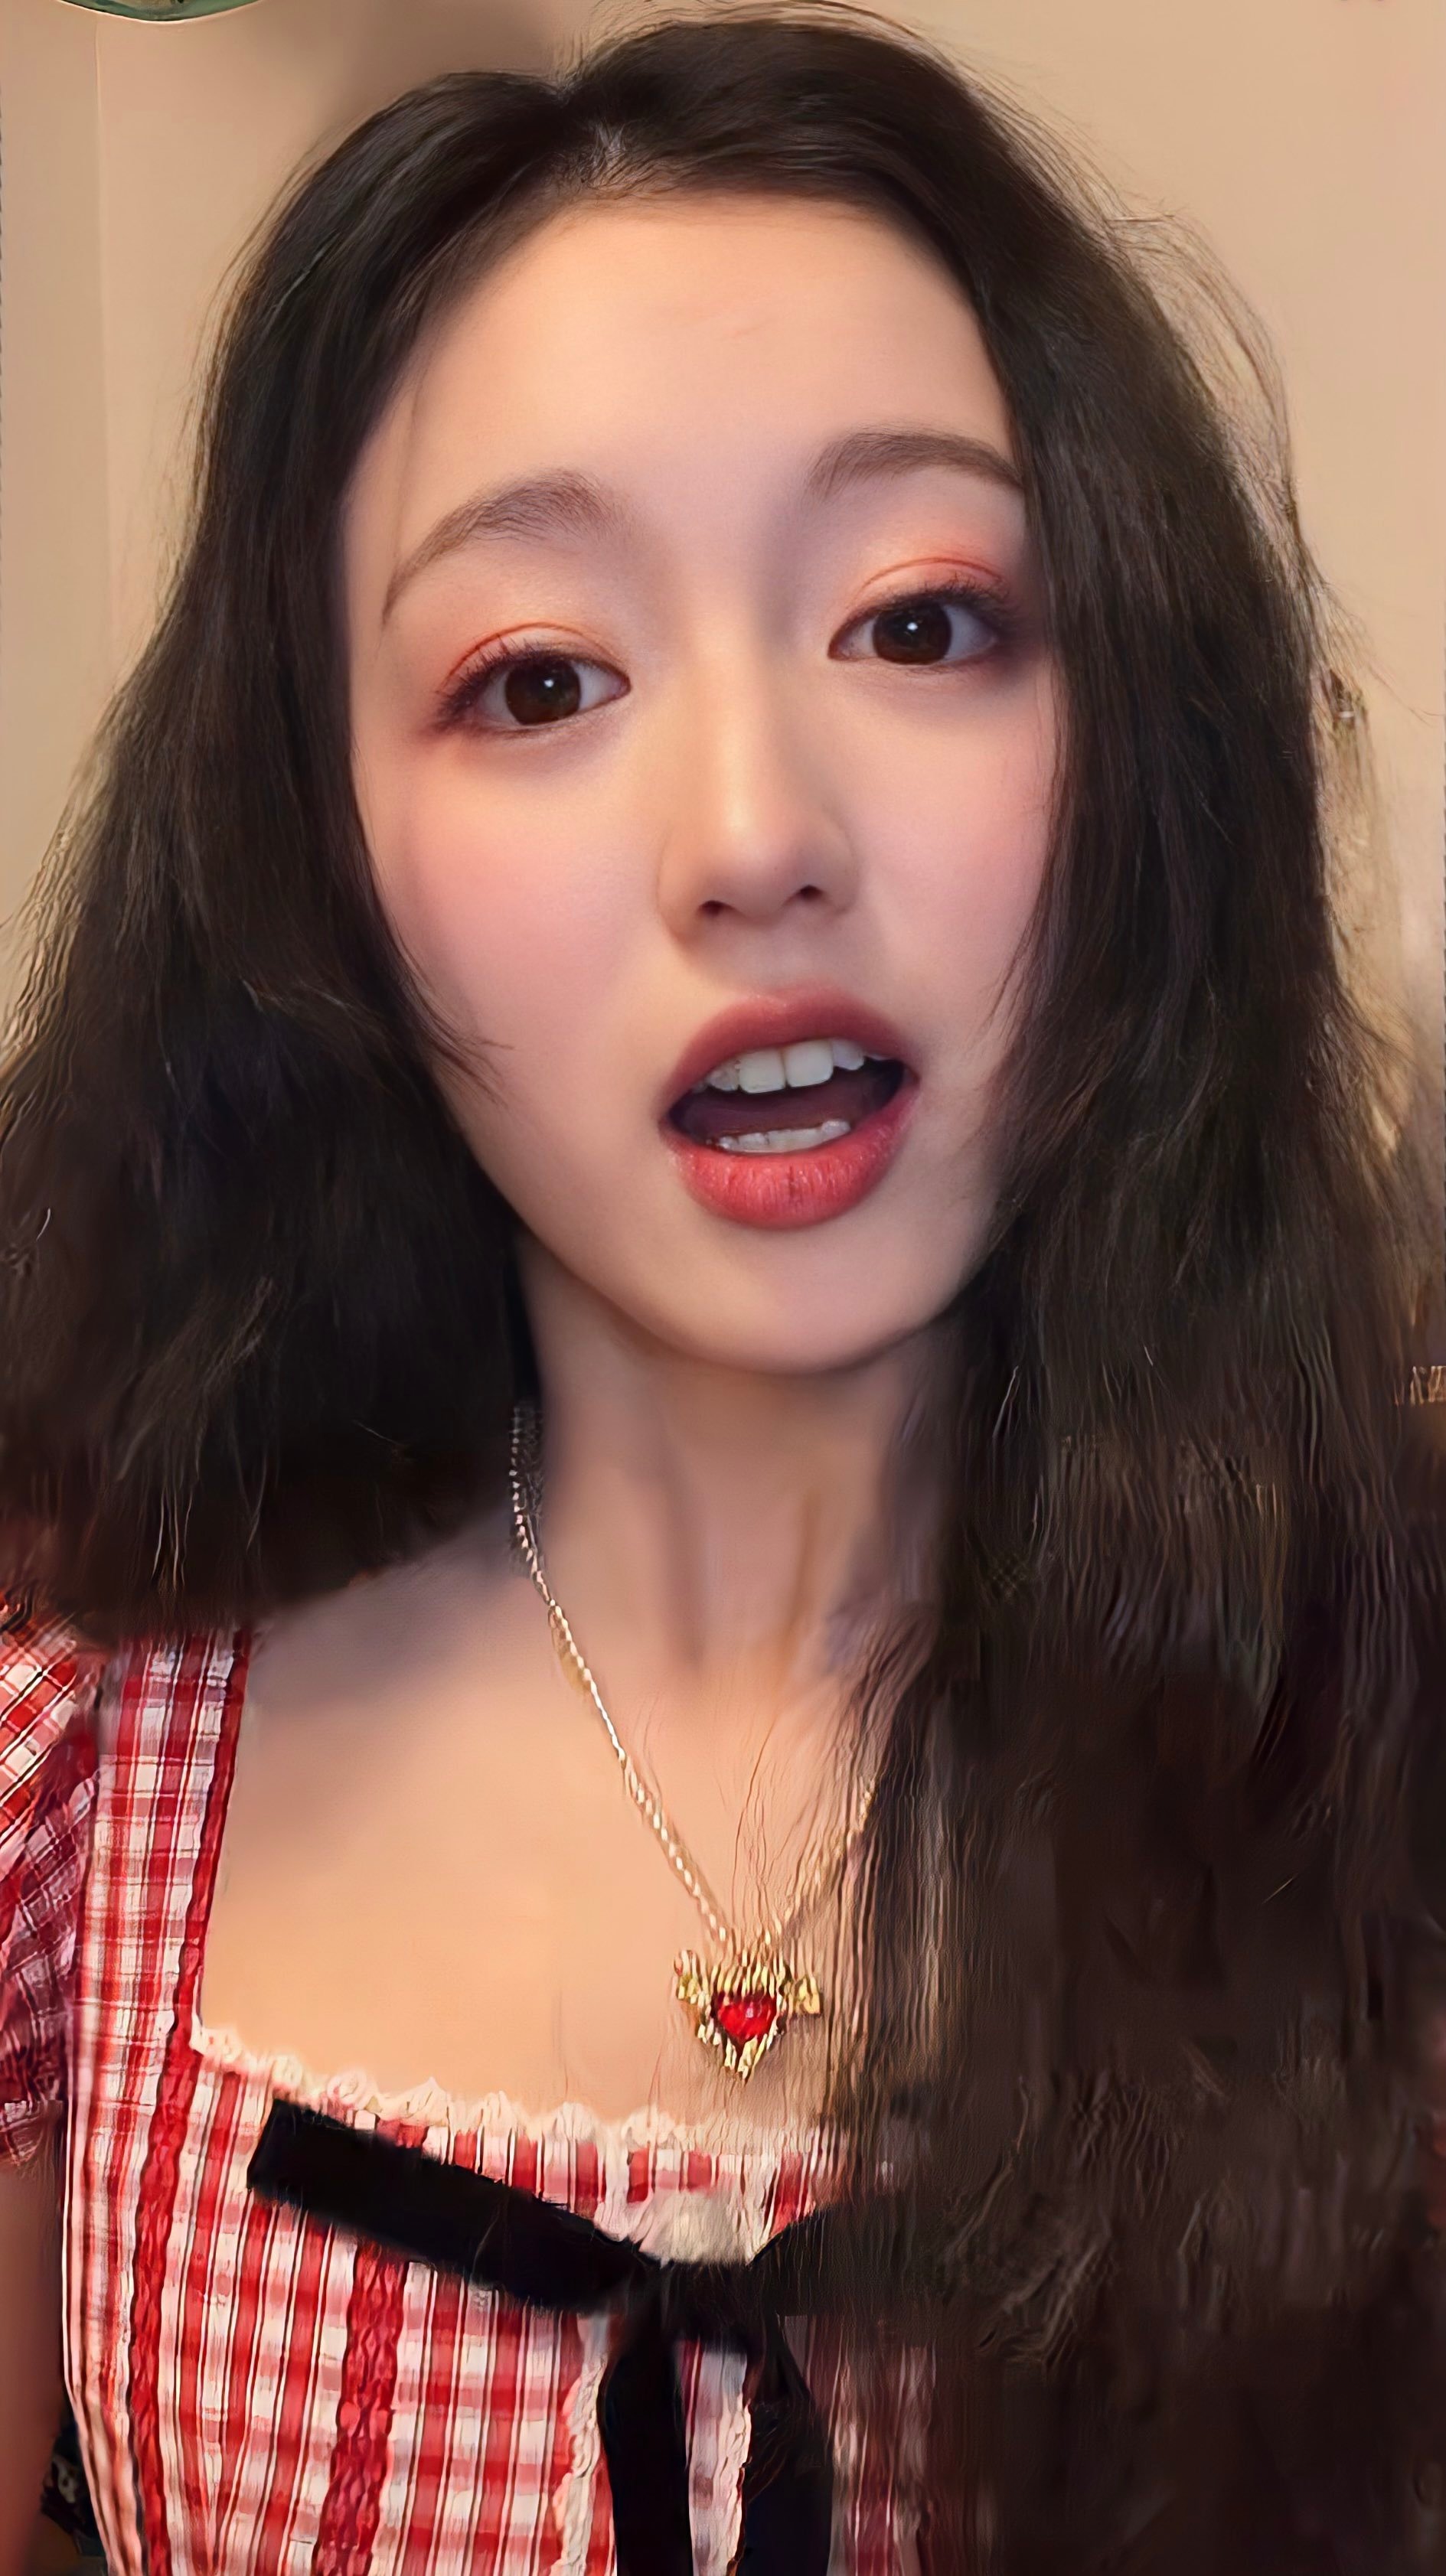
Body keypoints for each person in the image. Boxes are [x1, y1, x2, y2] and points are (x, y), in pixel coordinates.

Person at [2, 5, 1444, 2568]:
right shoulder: (78, 1737)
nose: (756, 833)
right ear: (319, 862)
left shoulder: (1380, 1733)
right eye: (537, 680)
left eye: (920, 623)